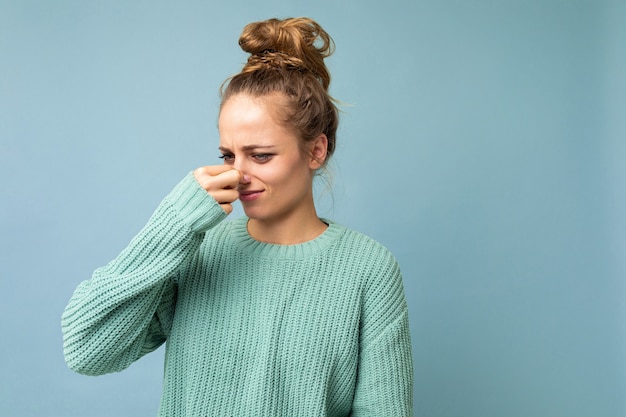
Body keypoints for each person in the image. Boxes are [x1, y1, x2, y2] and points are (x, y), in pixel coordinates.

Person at [62, 16, 413, 416]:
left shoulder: (368, 268)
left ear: (316, 151)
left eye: (261, 155)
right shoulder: (196, 250)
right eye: (228, 155)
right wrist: (174, 224)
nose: (238, 173)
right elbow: (86, 350)